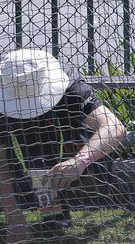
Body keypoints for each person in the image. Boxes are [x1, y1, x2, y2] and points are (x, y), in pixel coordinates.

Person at [0, 49, 127, 244]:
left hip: (74, 151)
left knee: (90, 151)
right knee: (34, 140)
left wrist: (80, 160)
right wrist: (14, 216)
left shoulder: (72, 89)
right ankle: (47, 206)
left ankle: (55, 209)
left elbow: (114, 127)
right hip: (23, 155)